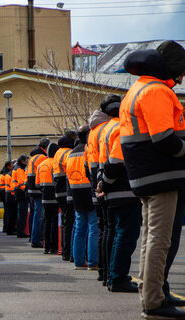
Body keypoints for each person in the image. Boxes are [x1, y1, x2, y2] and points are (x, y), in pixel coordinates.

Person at [120, 40, 185, 318]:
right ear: (171, 67)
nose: (182, 77)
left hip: (146, 176)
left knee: (150, 238)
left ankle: (151, 294)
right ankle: (154, 302)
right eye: (181, 70)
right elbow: (163, 138)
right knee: (160, 240)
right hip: (161, 175)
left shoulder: (138, 89)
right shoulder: (156, 91)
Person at [97, 99, 141, 292]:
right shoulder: (121, 128)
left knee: (117, 234)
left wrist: (102, 184)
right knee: (125, 235)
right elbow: (116, 162)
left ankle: (113, 276)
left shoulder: (107, 128)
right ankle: (118, 277)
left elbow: (104, 161)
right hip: (123, 190)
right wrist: (106, 183)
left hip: (114, 191)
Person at [86, 95, 117, 285]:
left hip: (96, 182)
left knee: (102, 228)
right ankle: (108, 273)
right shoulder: (107, 129)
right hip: (104, 183)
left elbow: (89, 162)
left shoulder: (93, 131)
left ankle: (103, 271)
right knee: (109, 229)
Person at [66, 125, 98, 270]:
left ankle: (78, 261)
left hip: (76, 192)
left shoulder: (71, 153)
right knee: (93, 227)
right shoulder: (88, 149)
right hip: (88, 190)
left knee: (79, 227)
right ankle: (93, 262)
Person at [53, 134, 76, 261]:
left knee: (65, 222)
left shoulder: (57, 154)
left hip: (58, 191)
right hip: (66, 191)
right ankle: (68, 252)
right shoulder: (68, 153)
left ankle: (64, 250)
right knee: (70, 223)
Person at [36, 143, 60, 254]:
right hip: (55, 197)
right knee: (54, 222)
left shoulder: (41, 165)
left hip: (44, 196)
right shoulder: (55, 164)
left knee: (47, 221)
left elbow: (37, 183)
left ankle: (46, 247)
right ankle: (54, 247)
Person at [27, 138, 50, 248]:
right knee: (39, 215)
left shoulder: (33, 157)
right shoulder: (42, 157)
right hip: (38, 189)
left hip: (32, 189)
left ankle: (33, 237)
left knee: (34, 214)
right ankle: (36, 239)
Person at [13, 155, 30, 238]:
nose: (27, 163)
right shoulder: (19, 169)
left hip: (18, 193)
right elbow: (21, 183)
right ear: (23, 161)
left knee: (20, 213)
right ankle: (21, 232)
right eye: (27, 161)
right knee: (22, 213)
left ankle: (20, 231)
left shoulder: (16, 167)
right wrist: (26, 190)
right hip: (21, 194)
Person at [4, 160, 18, 235]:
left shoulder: (7, 175)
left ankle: (10, 229)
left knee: (10, 215)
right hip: (11, 198)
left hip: (8, 197)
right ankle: (10, 230)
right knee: (12, 215)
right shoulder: (10, 176)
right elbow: (13, 187)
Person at [0, 161, 12, 233]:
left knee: (6, 211)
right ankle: (6, 227)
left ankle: (5, 227)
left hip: (3, 194)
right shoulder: (6, 174)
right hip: (6, 194)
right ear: (8, 166)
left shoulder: (2, 174)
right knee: (7, 212)